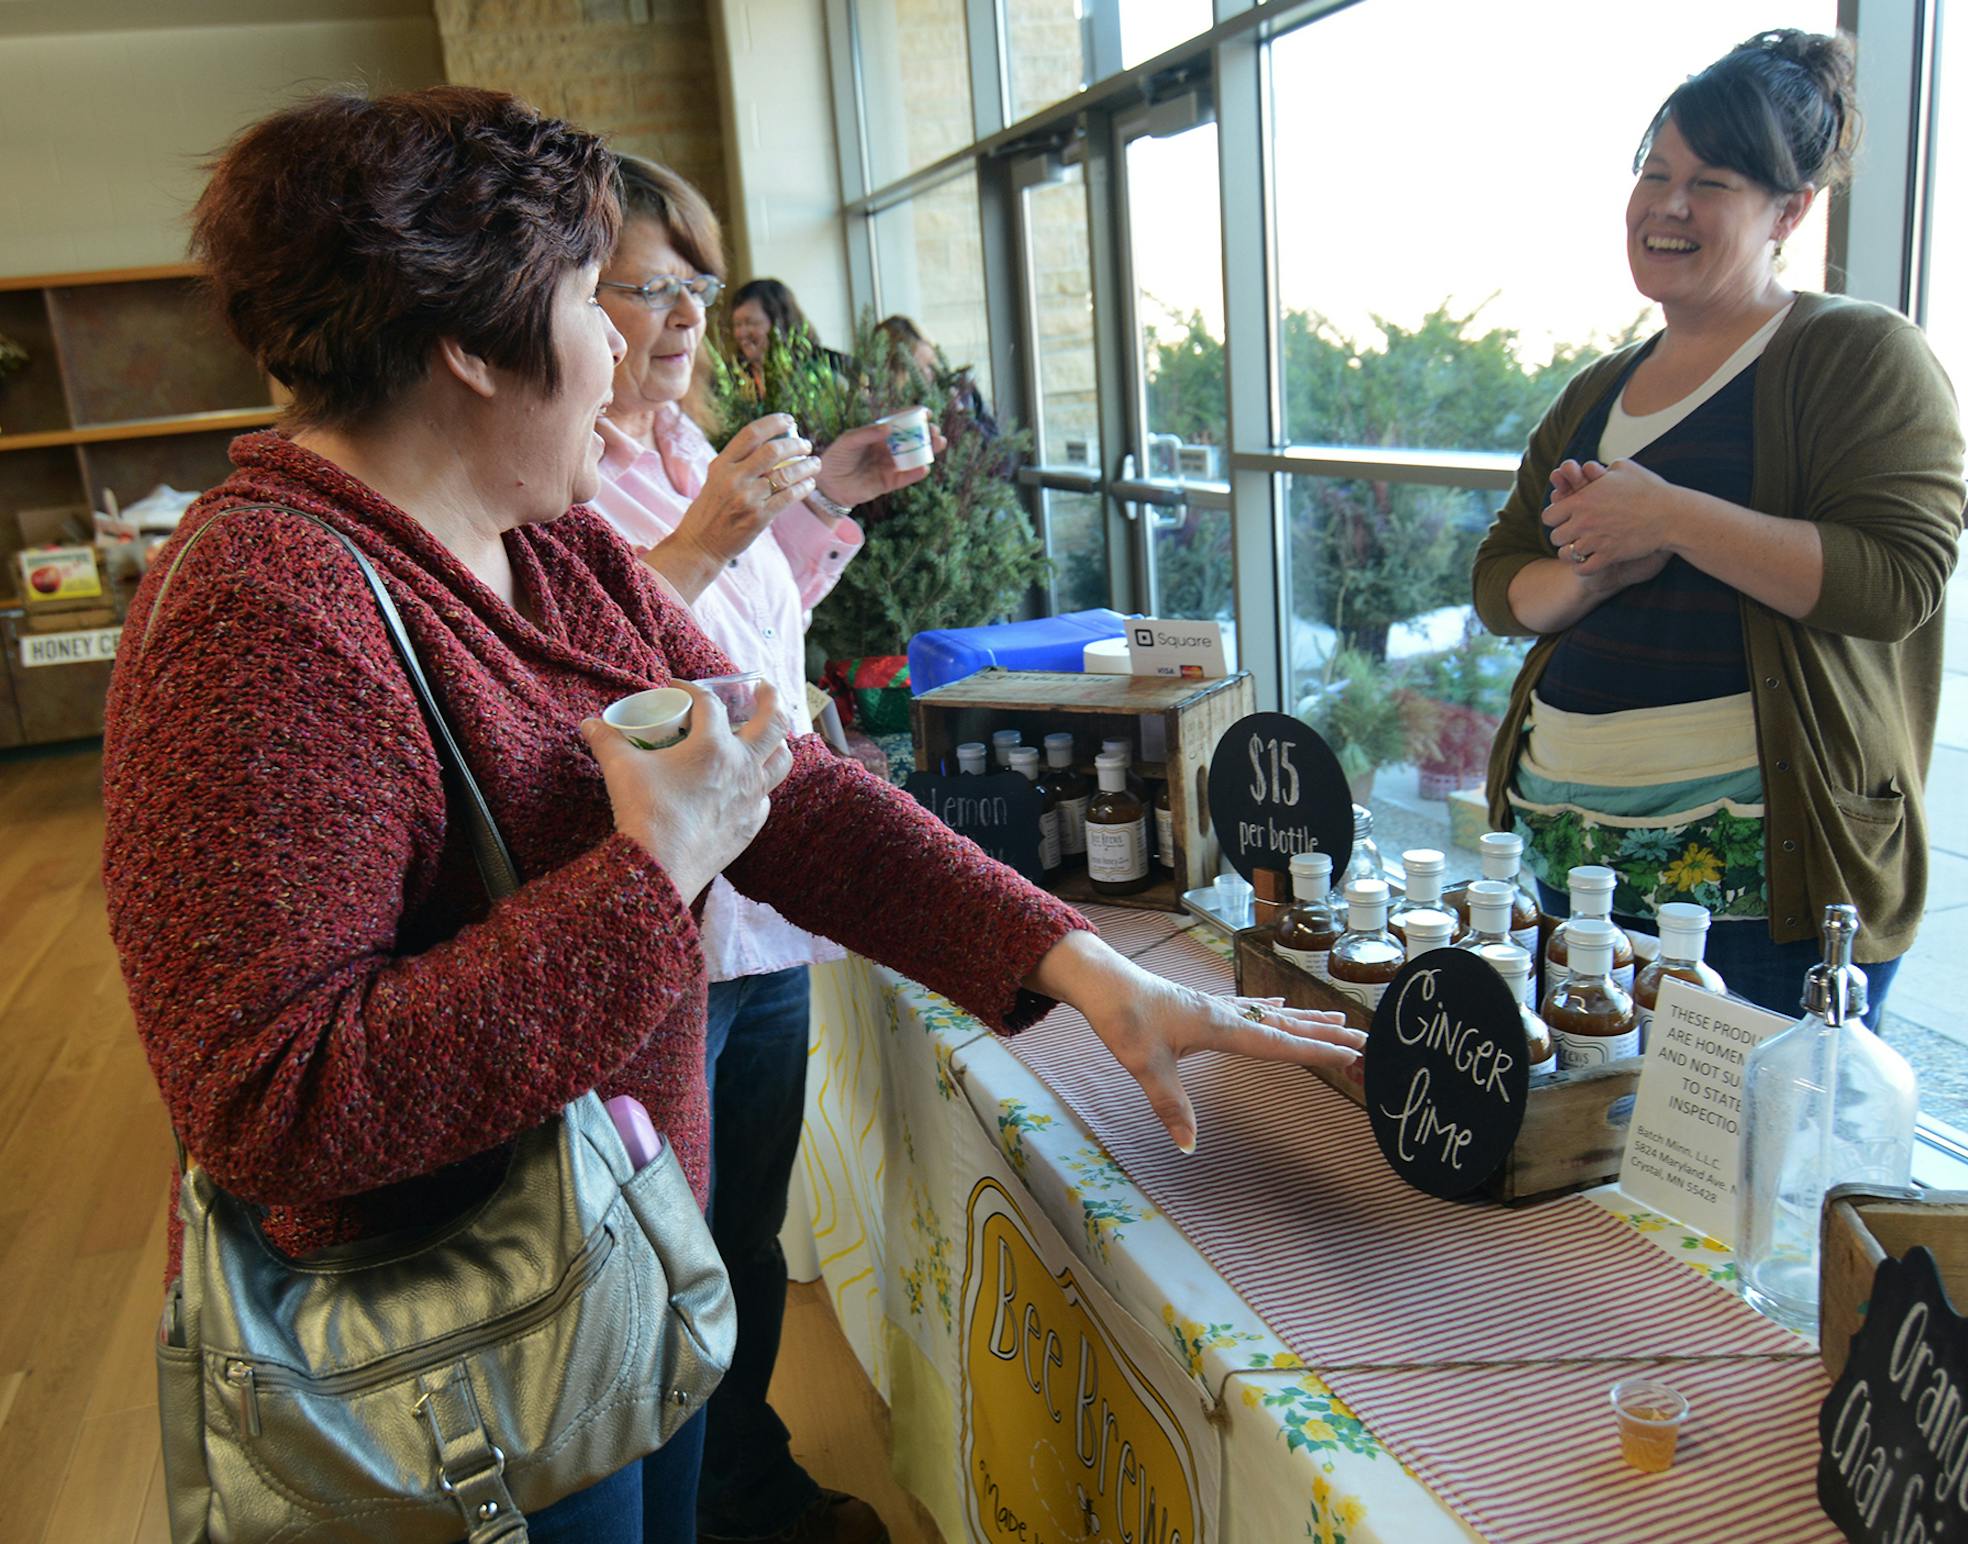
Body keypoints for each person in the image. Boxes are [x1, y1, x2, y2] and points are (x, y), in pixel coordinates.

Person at [102, 87, 1362, 1544]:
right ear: (468, 340)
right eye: (595, 297)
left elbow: (791, 789)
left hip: (631, 1261)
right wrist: (654, 872)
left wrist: (1081, 968)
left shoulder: (551, 544)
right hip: (457, 1356)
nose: (628, 350)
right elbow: (273, 1101)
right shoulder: (261, 611)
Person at [1470, 30, 1964, 1025]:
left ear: (1791, 209)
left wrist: (1672, 513)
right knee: (1595, 1161)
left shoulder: (1858, 355)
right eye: (1655, 171)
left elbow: (1897, 580)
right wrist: (1592, 578)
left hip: (1757, 898)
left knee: (1751, 1171)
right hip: (1578, 874)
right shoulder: (1597, 390)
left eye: (1714, 180)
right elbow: (1500, 581)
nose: (1670, 203)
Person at [588, 154, 902, 1544]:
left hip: (767, 914)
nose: (684, 316)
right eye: (648, 287)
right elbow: (574, 671)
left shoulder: (678, 451)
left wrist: (823, 505)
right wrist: (716, 530)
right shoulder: (559, 482)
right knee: (669, 1251)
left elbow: (754, 640)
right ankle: (697, 1494)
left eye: (697, 286)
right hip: (667, 926)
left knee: (750, 1232)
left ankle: (738, 1472)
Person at [730, 277, 839, 400]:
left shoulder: (827, 367)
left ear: (780, 322)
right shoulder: (729, 379)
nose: (741, 333)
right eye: (737, 324)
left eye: (751, 323)